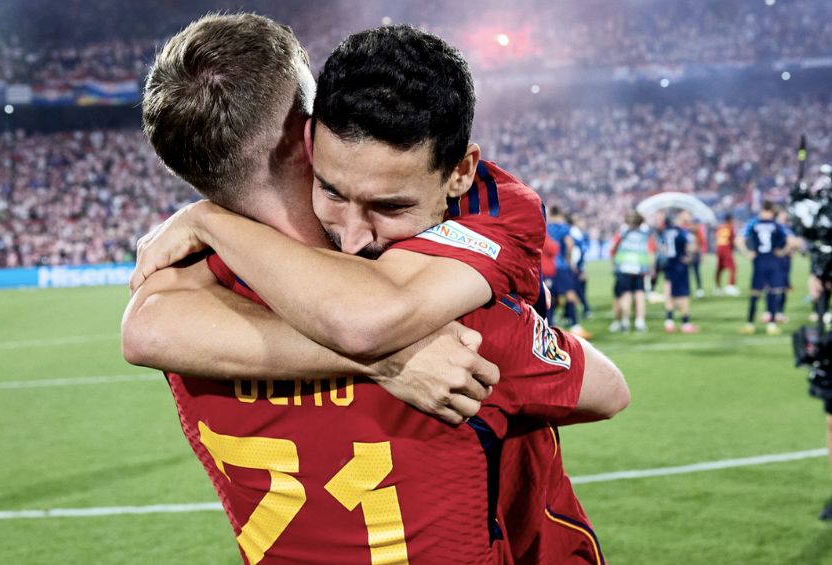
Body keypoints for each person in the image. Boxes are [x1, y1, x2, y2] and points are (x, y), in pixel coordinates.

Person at [126, 17, 627, 563]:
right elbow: (606, 390)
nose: (358, 235)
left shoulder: (196, 312)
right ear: (310, 135)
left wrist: (210, 220)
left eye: (389, 207)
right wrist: (390, 359)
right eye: (335, 191)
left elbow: (144, 330)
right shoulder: (462, 330)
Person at [737, 201, 789, 335]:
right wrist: (783, 252)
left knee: (755, 294)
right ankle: (771, 325)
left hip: (759, 262)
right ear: (771, 211)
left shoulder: (753, 223)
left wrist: (746, 253)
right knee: (772, 293)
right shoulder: (776, 225)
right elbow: (792, 241)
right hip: (773, 262)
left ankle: (749, 324)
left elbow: (738, 240)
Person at [546, 207, 592, 338]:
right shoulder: (563, 227)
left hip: (547, 267)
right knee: (570, 294)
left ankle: (550, 324)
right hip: (561, 266)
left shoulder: (546, 227)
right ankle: (574, 325)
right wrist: (569, 260)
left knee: (551, 296)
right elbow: (570, 244)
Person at [609, 211, 654, 333]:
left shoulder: (623, 233)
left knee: (625, 295)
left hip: (623, 267)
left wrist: (614, 263)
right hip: (640, 268)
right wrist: (651, 267)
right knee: (640, 294)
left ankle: (624, 321)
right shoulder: (646, 234)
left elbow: (612, 249)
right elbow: (650, 252)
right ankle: (640, 321)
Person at [660, 212, 699, 333]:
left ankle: (669, 321)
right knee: (683, 295)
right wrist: (690, 256)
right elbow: (692, 246)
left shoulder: (665, 231)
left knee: (668, 292)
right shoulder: (682, 232)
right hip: (680, 266)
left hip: (668, 265)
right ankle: (685, 323)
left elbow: (661, 247)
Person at [714, 213, 739, 296]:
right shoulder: (730, 228)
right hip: (726, 249)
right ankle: (730, 286)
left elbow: (717, 237)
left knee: (719, 269)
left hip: (719, 249)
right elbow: (732, 240)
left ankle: (717, 288)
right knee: (733, 268)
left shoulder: (720, 227)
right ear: (730, 220)